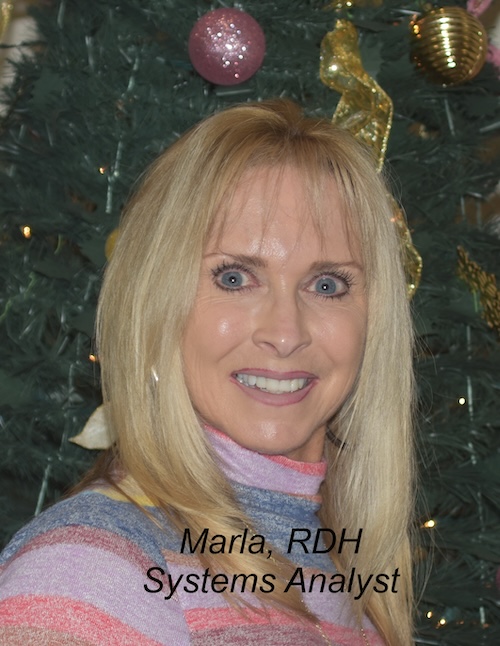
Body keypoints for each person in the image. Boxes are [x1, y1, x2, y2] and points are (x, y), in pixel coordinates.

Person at [0, 99, 415, 645]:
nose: (286, 332)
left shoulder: (350, 574)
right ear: (155, 304)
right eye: (236, 279)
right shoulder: (87, 572)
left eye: (328, 285)